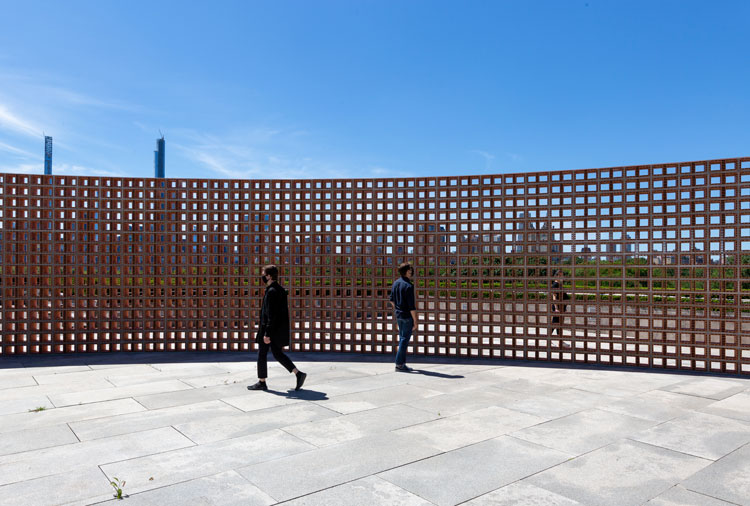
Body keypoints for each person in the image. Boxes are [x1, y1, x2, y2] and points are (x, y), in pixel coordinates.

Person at [248, 265, 306, 391]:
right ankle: (298, 374)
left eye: (263, 273)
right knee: (277, 353)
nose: (262, 276)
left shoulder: (271, 291)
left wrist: (267, 333)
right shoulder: (279, 289)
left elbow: (271, 314)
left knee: (262, 354)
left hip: (269, 329)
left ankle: (262, 382)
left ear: (269, 276)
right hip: (277, 329)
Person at [389, 262, 418, 372]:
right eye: (409, 271)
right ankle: (399, 364)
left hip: (399, 315)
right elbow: (412, 307)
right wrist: (415, 321)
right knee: (404, 341)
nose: (411, 273)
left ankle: (402, 364)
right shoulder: (409, 286)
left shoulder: (396, 283)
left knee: (402, 339)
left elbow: (391, 300)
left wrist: (398, 308)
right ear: (405, 271)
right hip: (407, 316)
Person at [550, 270, 567, 337]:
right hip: (558, 307)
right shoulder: (555, 285)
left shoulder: (560, 285)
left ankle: (559, 339)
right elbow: (554, 296)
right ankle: (549, 337)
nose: (562, 277)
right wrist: (556, 308)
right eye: (560, 275)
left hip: (561, 307)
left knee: (558, 324)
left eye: (562, 275)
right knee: (555, 323)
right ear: (556, 276)